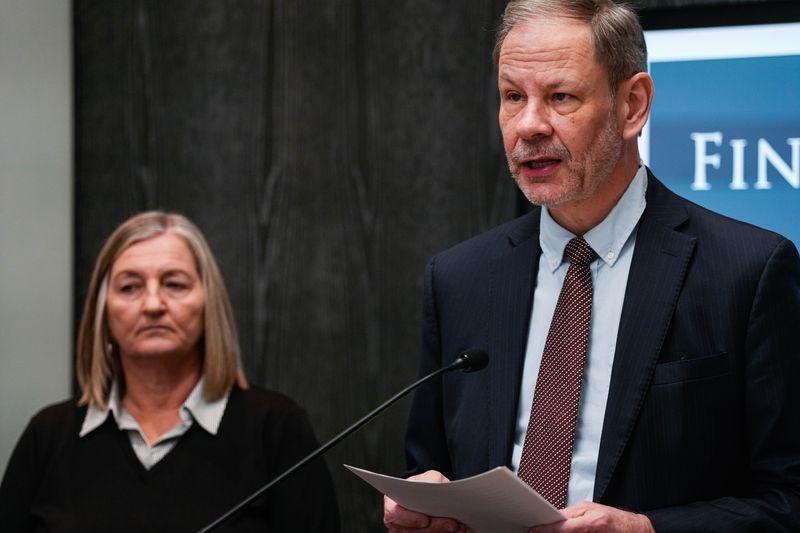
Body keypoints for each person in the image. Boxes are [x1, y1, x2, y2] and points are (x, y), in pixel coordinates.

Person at [384, 1, 800, 532]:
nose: (529, 125)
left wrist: (644, 529)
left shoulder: (746, 271)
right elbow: (429, 465)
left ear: (633, 106)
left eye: (561, 97)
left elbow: (788, 501)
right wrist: (425, 503)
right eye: (513, 97)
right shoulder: (460, 278)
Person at [0, 211, 340, 532]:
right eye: (129, 287)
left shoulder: (276, 430)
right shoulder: (48, 437)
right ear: (102, 313)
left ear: (209, 304)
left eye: (174, 284)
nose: (152, 305)